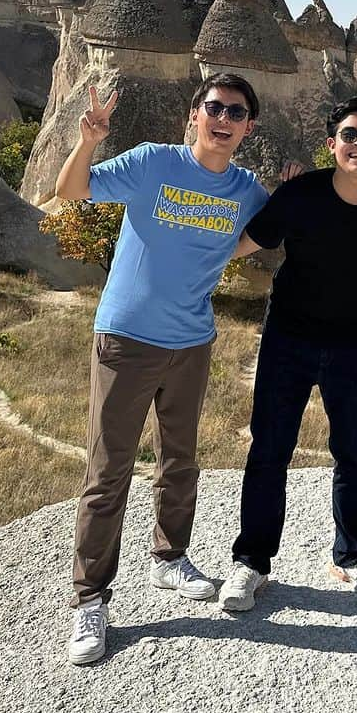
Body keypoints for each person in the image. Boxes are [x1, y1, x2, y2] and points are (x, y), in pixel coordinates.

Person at [59, 73, 274, 666]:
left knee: (179, 460)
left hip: (192, 342)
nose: (224, 119)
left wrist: (221, 252)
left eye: (236, 112)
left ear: (248, 127)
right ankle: (89, 599)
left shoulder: (247, 190)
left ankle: (168, 558)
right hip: (126, 338)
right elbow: (71, 191)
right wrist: (88, 141)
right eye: (215, 108)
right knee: (109, 472)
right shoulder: (154, 162)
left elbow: (260, 232)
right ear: (195, 114)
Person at [220, 97, 357, 610]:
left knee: (355, 453)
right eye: (350, 135)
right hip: (288, 339)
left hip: (352, 344)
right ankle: (252, 561)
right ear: (331, 144)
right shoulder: (301, 193)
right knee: (270, 449)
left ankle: (353, 555)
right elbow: (244, 243)